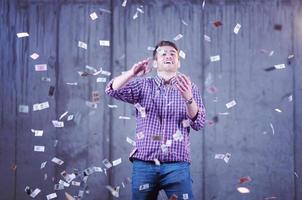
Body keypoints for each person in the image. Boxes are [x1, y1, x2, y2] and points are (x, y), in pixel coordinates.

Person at [105, 41, 206, 200]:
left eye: (173, 53)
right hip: (144, 164)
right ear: (155, 62)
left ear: (178, 62)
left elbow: (199, 123)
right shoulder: (142, 85)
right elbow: (112, 90)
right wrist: (131, 73)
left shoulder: (190, 88)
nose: (168, 56)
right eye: (163, 53)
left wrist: (188, 98)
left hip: (177, 165)